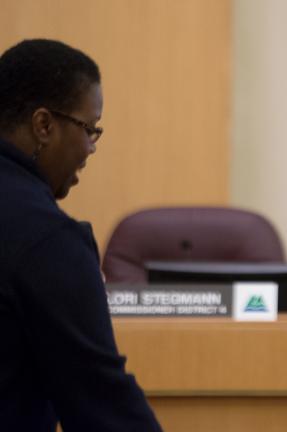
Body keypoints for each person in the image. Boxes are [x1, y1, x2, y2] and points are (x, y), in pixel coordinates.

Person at [0, 39, 162, 431]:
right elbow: (103, 407)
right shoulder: (49, 242)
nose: (91, 148)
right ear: (43, 125)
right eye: (89, 129)